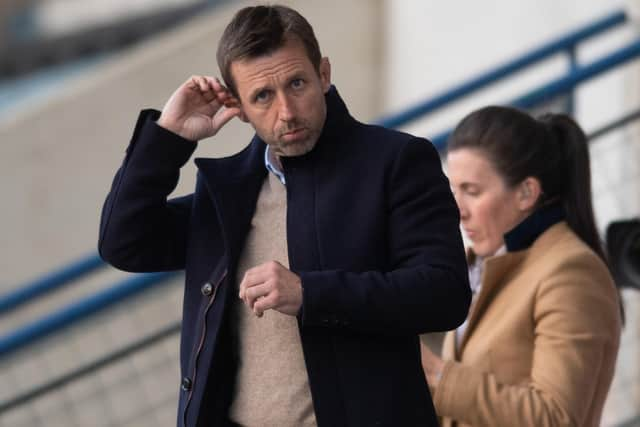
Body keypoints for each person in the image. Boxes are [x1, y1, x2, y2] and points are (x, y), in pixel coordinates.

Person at [98, 5, 471, 426]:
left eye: (297, 83)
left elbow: (444, 293)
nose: (287, 112)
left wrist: (309, 293)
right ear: (237, 105)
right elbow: (124, 242)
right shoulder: (230, 192)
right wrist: (168, 138)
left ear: (324, 74)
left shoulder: (396, 161)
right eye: (262, 96)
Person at [421, 106, 622, 427]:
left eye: (472, 191)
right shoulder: (482, 263)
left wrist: (437, 375)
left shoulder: (571, 272)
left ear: (527, 192)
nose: (458, 210)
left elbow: (555, 418)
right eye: (453, 190)